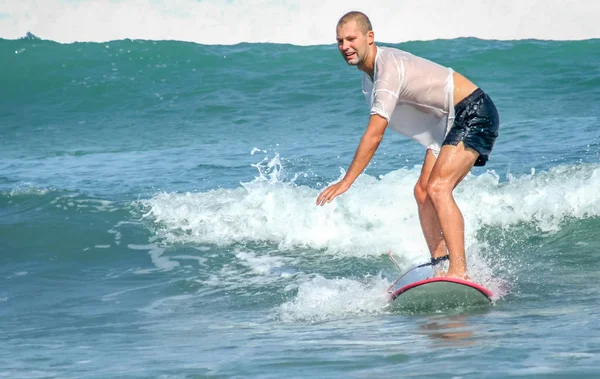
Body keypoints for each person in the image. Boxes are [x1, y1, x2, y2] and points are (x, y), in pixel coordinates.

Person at [316, 11, 500, 280]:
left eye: (351, 39)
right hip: (447, 122)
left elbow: (374, 135)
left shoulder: (387, 70)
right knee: (423, 192)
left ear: (370, 37)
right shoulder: (370, 78)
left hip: (473, 111)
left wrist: (347, 181)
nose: (345, 47)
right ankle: (441, 265)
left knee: (438, 188)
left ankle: (460, 272)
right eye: (340, 41)